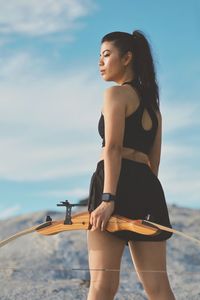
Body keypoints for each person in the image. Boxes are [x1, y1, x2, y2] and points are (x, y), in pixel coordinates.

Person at [87, 30, 176, 300]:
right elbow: (154, 161)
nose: (100, 62)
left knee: (102, 285)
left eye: (106, 55)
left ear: (127, 58)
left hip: (113, 185)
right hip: (148, 187)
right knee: (159, 289)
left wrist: (108, 198)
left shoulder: (115, 95)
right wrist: (144, 195)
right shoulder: (153, 107)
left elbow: (112, 147)